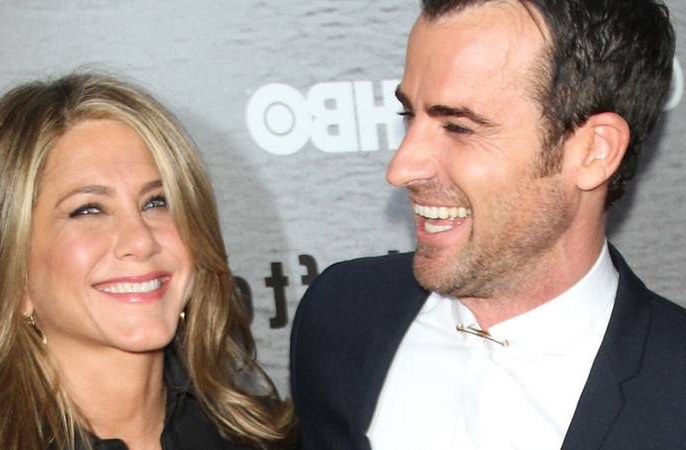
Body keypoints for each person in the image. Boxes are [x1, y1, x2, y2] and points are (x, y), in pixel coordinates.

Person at [290, 0, 686, 449]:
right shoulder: (341, 314)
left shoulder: (675, 393)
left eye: (458, 127)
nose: (401, 168)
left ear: (594, 151)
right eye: (408, 115)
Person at [0, 73, 293, 450]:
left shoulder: (271, 438)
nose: (140, 241)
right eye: (88, 210)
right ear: (14, 270)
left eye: (156, 202)